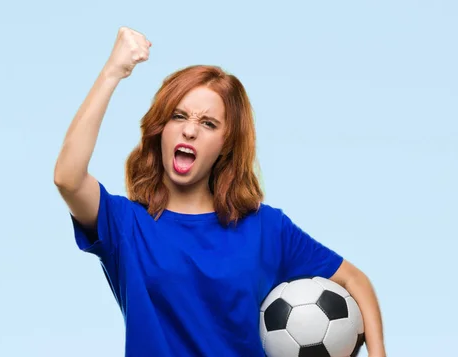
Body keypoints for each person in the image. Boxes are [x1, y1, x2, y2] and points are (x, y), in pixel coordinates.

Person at [54, 26, 386, 357]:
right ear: (160, 129)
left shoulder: (266, 228)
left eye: (208, 123)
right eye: (178, 116)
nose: (189, 130)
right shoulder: (125, 225)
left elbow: (355, 281)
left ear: (226, 144)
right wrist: (114, 71)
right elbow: (68, 178)